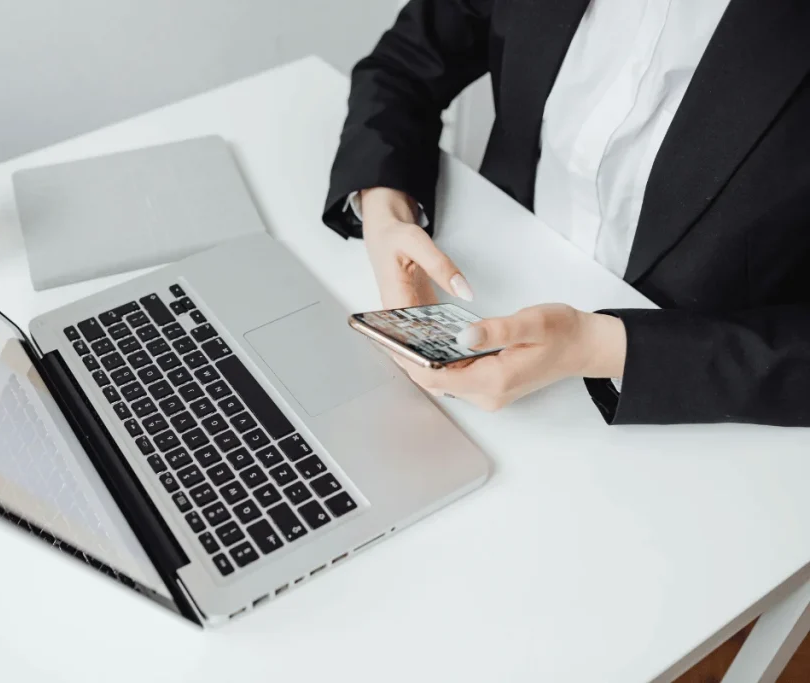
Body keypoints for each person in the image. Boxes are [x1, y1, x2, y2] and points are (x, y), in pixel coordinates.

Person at [322, 0, 810, 426]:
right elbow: (406, 62)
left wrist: (601, 347)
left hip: (697, 391)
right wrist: (386, 207)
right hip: (486, 283)